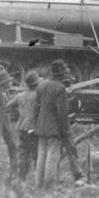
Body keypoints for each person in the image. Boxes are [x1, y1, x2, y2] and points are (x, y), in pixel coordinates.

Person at [34, 60, 71, 188]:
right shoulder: (60, 88)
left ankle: (38, 183)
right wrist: (65, 130)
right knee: (52, 155)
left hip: (41, 126)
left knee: (41, 154)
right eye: (65, 70)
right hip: (54, 127)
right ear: (62, 73)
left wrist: (36, 124)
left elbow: (37, 107)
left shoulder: (41, 86)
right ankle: (48, 185)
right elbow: (62, 112)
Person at [6, 70, 40, 182]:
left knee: (23, 154)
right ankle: (37, 179)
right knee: (36, 154)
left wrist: (17, 115)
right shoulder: (39, 95)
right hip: (34, 128)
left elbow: (8, 106)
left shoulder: (20, 95)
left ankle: (21, 178)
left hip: (21, 127)